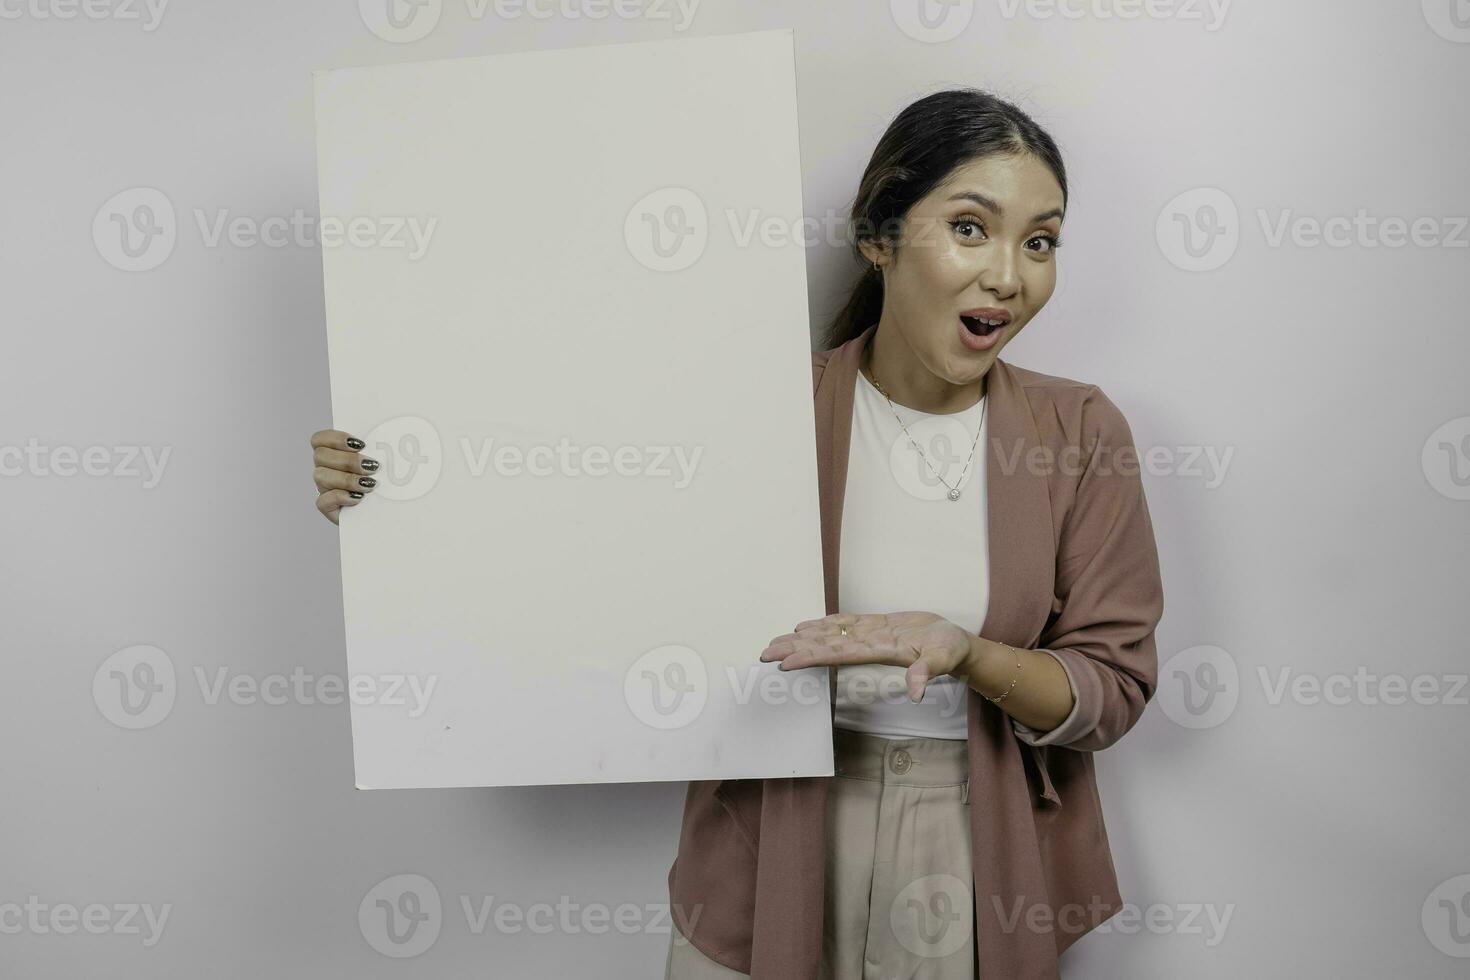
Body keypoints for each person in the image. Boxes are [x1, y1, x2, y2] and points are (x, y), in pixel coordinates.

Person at [309, 88, 1165, 980]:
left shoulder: (1079, 433)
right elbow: (575, 527)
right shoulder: (756, 405)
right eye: (969, 229)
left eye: (1041, 241)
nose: (1009, 276)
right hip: (771, 836)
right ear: (879, 239)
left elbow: (1113, 685)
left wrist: (968, 655)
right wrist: (395, 489)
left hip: (978, 843)